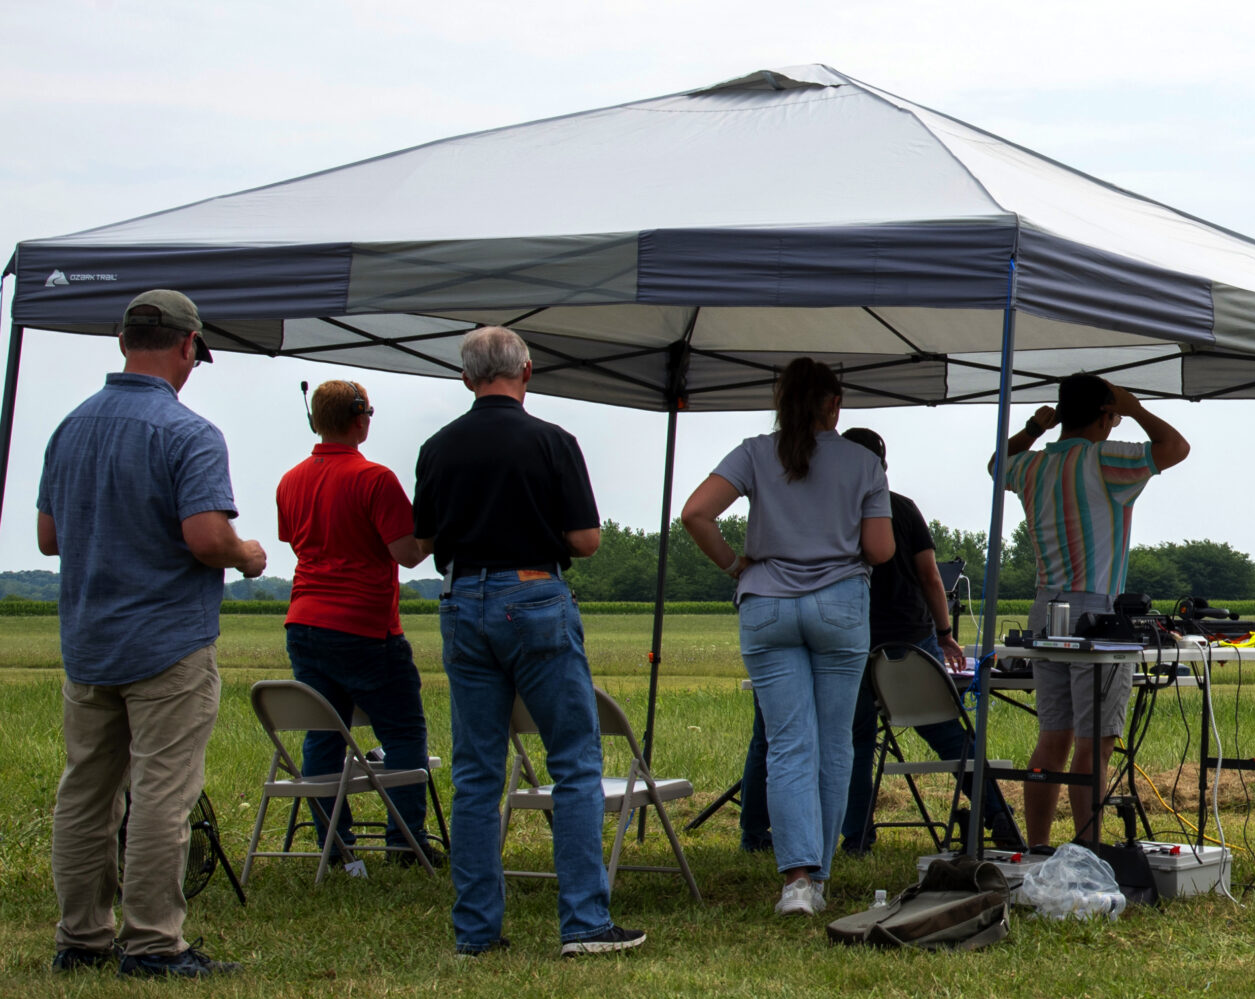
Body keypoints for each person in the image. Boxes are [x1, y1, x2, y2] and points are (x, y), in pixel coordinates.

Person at [39, 290, 264, 978]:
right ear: (187, 345)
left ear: (122, 340)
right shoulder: (188, 432)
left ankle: (81, 938)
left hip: (89, 640)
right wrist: (246, 553)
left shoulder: (70, 427)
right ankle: (154, 943)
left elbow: (49, 537)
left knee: (86, 793)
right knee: (164, 794)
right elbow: (204, 537)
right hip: (167, 642)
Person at [412, 325, 642, 957]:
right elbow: (586, 539)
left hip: (462, 602)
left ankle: (476, 932)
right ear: (528, 373)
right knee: (573, 762)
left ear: (466, 378)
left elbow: (422, 541)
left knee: (477, 774)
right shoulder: (552, 442)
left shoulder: (437, 448)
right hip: (536, 595)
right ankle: (584, 923)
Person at [680, 358, 891, 916]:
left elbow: (696, 513)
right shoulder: (864, 462)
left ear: (780, 401)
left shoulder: (752, 451)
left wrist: (734, 564)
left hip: (767, 604)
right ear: (833, 405)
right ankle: (817, 879)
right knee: (833, 743)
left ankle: (795, 881)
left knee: (788, 743)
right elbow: (881, 551)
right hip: (841, 607)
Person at [998, 374, 1189, 849]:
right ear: (1106, 415)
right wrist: (1138, 408)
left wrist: (1035, 427)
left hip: (1045, 610)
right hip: (1096, 613)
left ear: (1062, 413)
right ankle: (1087, 850)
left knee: (1053, 736)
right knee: (1096, 741)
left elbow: (995, 464)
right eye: (1115, 416)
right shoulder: (1104, 458)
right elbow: (1176, 448)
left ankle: (1038, 846)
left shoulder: (1032, 465)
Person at [838, 426, 1023, 854]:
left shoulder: (834, 512)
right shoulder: (901, 508)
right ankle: (996, 814)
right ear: (882, 466)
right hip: (910, 639)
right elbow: (930, 577)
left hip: (853, 640)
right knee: (947, 732)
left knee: (857, 740)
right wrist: (943, 634)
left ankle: (855, 838)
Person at [275, 379, 436, 866]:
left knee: (324, 734)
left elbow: (294, 540)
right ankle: (404, 843)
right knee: (403, 733)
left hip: (304, 621)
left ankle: (335, 844)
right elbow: (407, 555)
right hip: (365, 625)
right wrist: (436, 528)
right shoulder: (375, 479)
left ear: (315, 421)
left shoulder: (291, 479)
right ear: (361, 417)